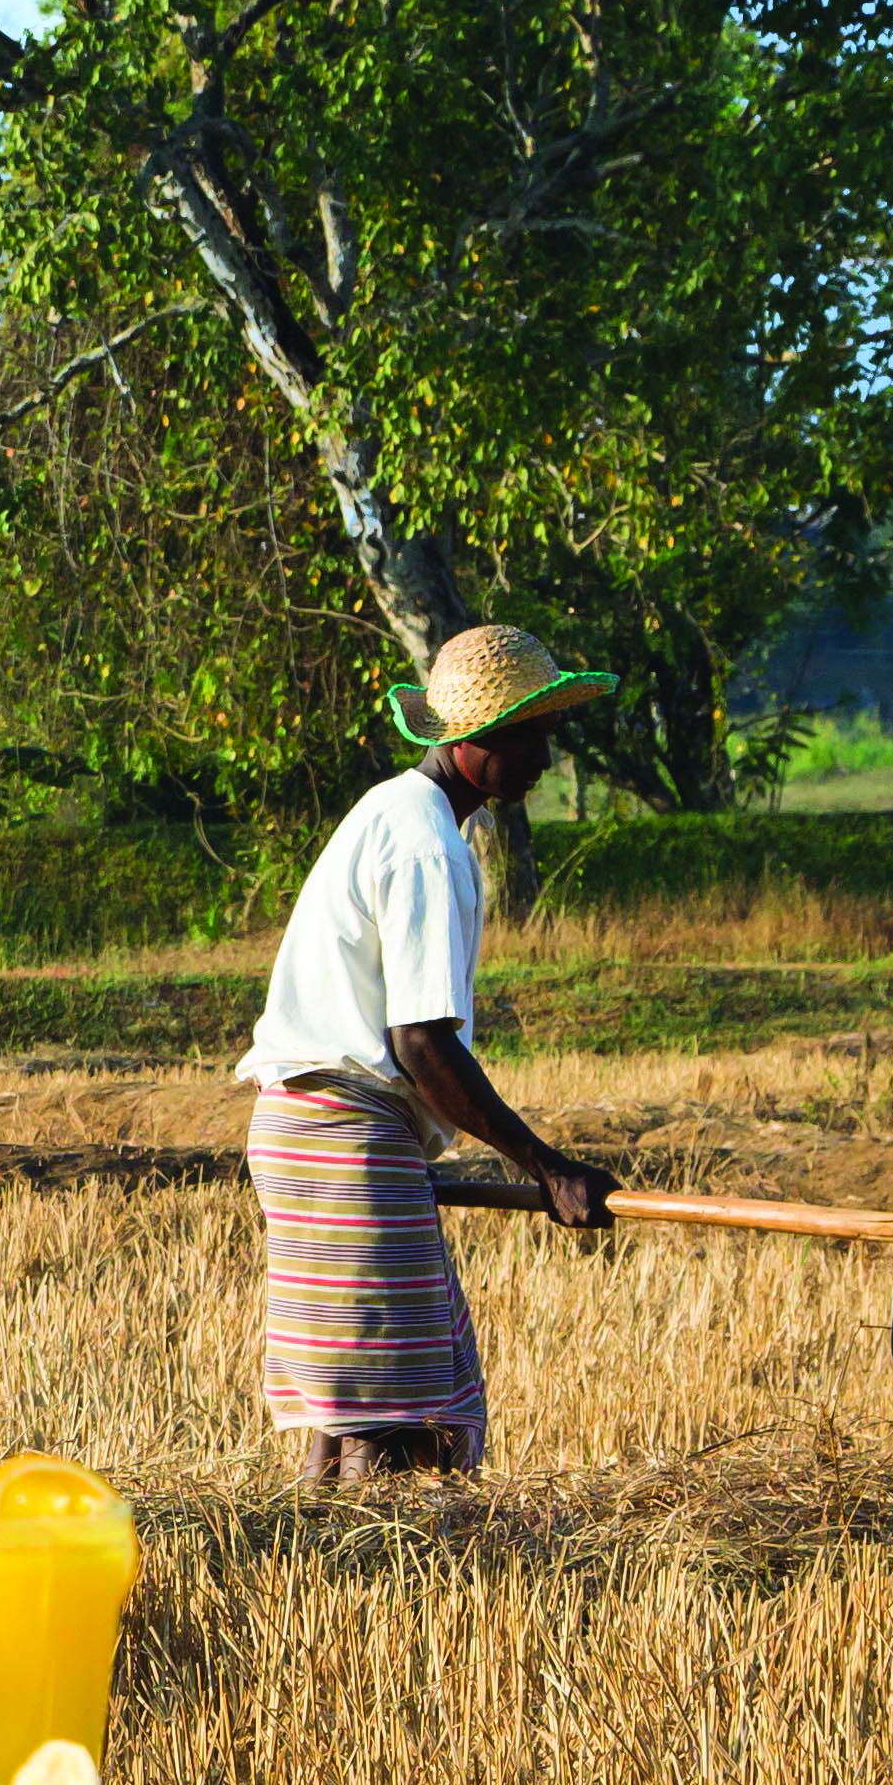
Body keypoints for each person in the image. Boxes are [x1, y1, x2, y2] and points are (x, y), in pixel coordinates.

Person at [237, 625, 623, 1493]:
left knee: (354, 1418)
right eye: (531, 737)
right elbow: (421, 1043)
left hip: (305, 1132)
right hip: (345, 1138)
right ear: (477, 746)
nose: (544, 758)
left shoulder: (391, 810)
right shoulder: (424, 847)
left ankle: (318, 1573)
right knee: (402, 1423)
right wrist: (545, 1165)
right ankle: (375, 1588)